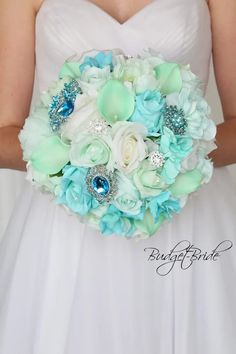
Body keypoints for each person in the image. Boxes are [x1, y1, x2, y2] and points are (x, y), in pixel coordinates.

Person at [0, 0, 236, 353]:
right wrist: (82, 162)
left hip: (189, 222)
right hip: (66, 228)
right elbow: (5, 131)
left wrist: (164, 158)